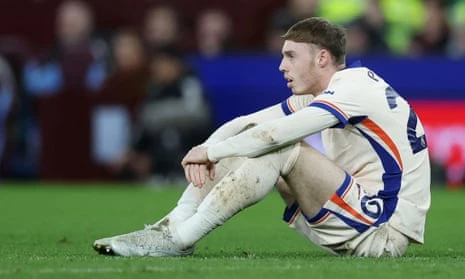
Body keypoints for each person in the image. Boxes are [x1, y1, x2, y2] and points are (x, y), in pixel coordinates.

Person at [93, 17, 431, 257]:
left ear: (322, 57)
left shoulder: (352, 88)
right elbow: (244, 124)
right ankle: (170, 227)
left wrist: (211, 154)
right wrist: (208, 149)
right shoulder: (331, 91)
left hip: (382, 230)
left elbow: (272, 136)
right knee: (248, 145)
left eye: (290, 56)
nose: (281, 66)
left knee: (278, 148)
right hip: (361, 213)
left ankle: (180, 239)